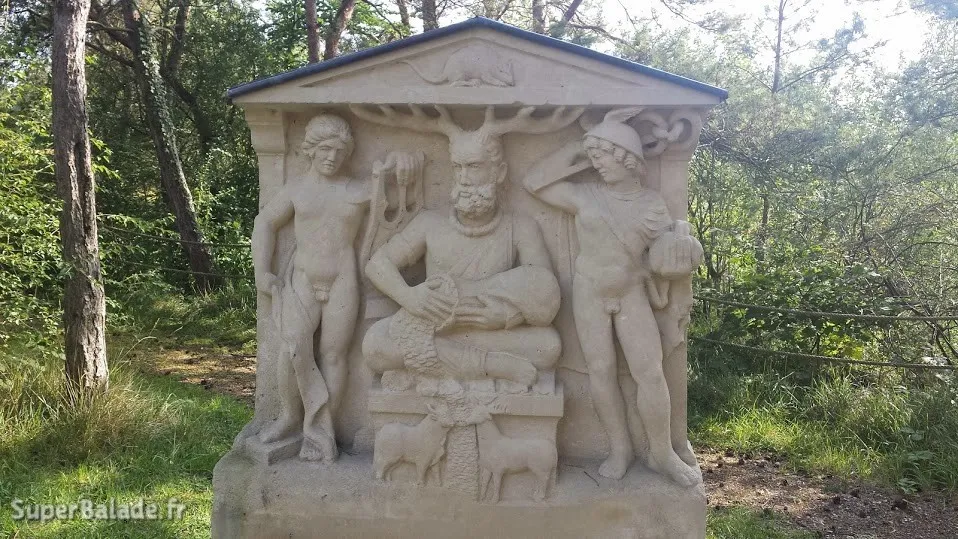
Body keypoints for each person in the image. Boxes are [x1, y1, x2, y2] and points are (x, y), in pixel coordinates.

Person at [523, 109, 702, 485]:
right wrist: (581, 146)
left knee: (649, 373)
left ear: (627, 158)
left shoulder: (651, 204)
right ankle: (620, 449)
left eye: (604, 155)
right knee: (601, 372)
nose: (598, 164)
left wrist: (681, 248)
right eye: (595, 157)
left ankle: (662, 453)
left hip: (631, 293)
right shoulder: (586, 195)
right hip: (589, 293)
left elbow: (665, 255)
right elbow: (534, 181)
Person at [252, 113, 417, 461]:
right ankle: (289, 417)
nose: (332, 157)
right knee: (292, 350)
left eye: (340, 151)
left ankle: (321, 429)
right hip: (302, 278)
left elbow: (400, 206)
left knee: (333, 355)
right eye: (326, 149)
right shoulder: (297, 189)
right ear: (310, 149)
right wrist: (262, 271)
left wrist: (401, 162)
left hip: (343, 280)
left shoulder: (359, 190)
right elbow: (265, 222)